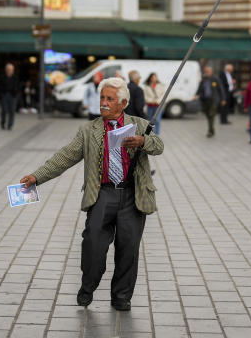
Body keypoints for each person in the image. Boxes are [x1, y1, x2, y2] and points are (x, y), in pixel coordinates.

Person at [19, 77, 163, 310]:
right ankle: (88, 286)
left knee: (128, 250)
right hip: (102, 195)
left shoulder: (139, 124)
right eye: (102, 98)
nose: (103, 103)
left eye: (109, 99)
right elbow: (65, 156)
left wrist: (143, 141)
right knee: (93, 246)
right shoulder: (89, 130)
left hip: (132, 196)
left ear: (123, 102)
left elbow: (159, 145)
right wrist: (37, 177)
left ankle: (121, 296)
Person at [195, 65, 225, 138]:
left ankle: (210, 131)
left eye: (208, 71)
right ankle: (211, 129)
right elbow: (200, 88)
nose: (207, 72)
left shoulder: (216, 79)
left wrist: (223, 99)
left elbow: (221, 89)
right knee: (208, 115)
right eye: (206, 71)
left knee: (211, 114)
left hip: (214, 100)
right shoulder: (204, 79)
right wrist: (196, 94)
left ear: (211, 71)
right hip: (205, 100)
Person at [0, 63, 20, 130]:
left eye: (11, 70)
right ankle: (3, 123)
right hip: (4, 95)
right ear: (6, 70)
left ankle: (10, 125)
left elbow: (18, 86)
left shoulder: (15, 77)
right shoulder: (2, 77)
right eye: (8, 69)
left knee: (12, 110)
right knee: (4, 110)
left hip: (12, 95)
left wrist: (16, 93)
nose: (10, 71)